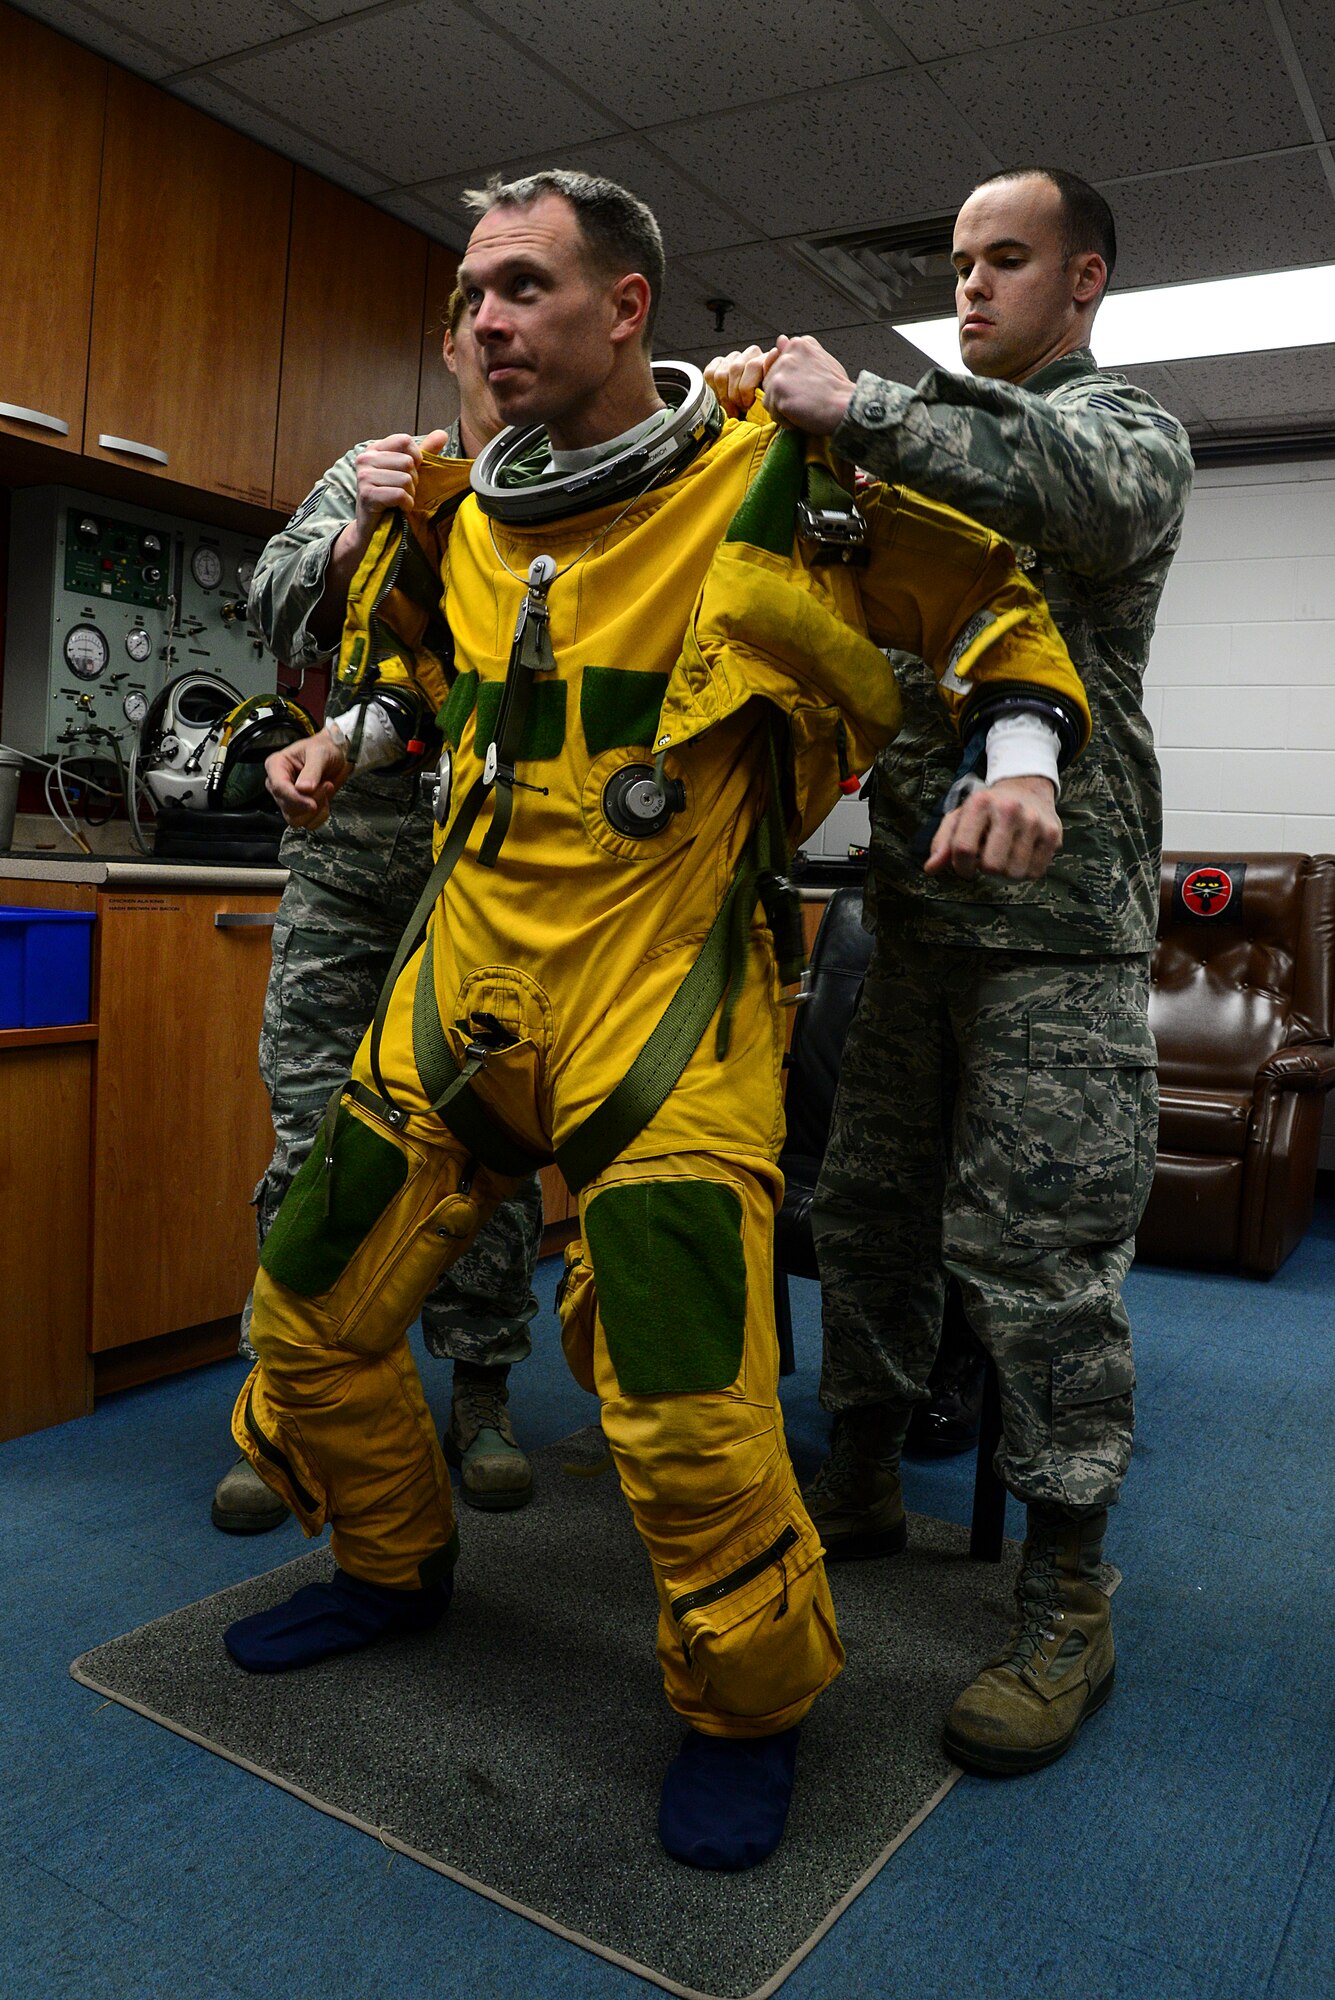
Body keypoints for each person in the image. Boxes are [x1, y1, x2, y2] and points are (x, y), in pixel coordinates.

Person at [220, 169, 1088, 1869]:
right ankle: (389, 1565)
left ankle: (743, 1708)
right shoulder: (457, 517)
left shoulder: (777, 478)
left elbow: (997, 614)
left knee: (689, 1412)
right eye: (474, 292)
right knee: (305, 1320)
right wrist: (355, 741)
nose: (484, 321)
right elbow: (418, 673)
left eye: (525, 288)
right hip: (464, 985)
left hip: (662, 997)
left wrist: (1027, 767)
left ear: (626, 307)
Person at [713, 165, 1194, 1777]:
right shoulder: (922, 461)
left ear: (1084, 280)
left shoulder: (1115, 430)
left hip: (1058, 930)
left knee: (1040, 1255)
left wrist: (861, 409)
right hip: (906, 913)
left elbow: (1061, 488)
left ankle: (1065, 1595)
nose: (970, 287)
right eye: (957, 265)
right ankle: (853, 1475)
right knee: (859, 1208)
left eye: (1005, 262)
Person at [211, 290, 544, 1536]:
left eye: (522, 308)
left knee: (483, 1142)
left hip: (492, 869)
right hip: (348, 860)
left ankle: (485, 1393)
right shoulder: (375, 468)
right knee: (312, 1130)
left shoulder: (561, 489)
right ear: (447, 345)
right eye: (474, 318)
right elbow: (276, 606)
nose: (496, 336)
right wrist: (356, 532)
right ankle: (288, 1396)